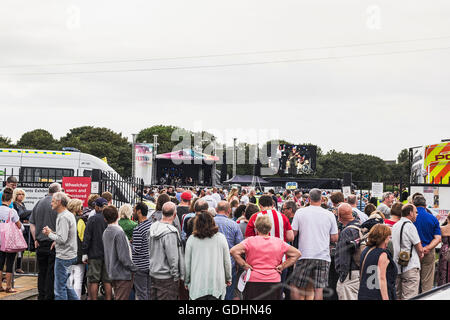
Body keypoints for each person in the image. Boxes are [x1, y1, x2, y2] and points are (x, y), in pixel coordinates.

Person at [230, 215, 301, 300]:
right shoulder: (278, 242)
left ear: (256, 227)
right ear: (270, 228)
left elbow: (233, 251)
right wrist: (283, 266)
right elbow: (297, 253)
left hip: (253, 279)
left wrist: (244, 265)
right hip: (274, 280)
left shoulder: (250, 241)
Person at [289, 188, 338, 300]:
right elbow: (335, 238)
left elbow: (293, 234)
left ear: (309, 199)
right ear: (321, 199)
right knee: (318, 289)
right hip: (323, 256)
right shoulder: (329, 215)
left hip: (304, 254)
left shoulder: (300, 212)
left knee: (295, 285)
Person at [184, 210, 232, 300]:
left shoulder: (191, 239)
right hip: (216, 284)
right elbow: (226, 261)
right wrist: (228, 277)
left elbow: (187, 263)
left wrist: (186, 281)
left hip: (198, 284)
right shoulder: (221, 238)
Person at [41, 192, 78, 300]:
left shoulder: (63, 217)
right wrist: (53, 233)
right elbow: (64, 235)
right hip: (70, 255)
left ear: (59, 202)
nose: (51, 203)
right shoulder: (68, 215)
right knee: (68, 286)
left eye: (53, 201)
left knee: (59, 289)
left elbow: (62, 239)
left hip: (63, 257)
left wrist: (49, 234)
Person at [29, 182, 61, 300]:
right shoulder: (57, 204)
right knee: (51, 272)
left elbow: (32, 223)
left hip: (40, 242)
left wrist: (35, 238)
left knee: (41, 271)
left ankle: (41, 295)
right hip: (53, 242)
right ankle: (49, 296)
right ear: (58, 191)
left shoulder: (39, 202)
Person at [148, 202, 185, 300]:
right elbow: (173, 257)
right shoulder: (170, 232)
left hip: (153, 271)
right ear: (174, 215)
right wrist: (176, 275)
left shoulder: (153, 227)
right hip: (167, 276)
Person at [102, 205, 138, 300]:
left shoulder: (106, 231)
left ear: (105, 219)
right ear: (118, 215)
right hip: (122, 273)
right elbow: (123, 257)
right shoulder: (119, 232)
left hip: (112, 270)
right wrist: (134, 268)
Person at [82, 197, 113, 300]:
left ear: (97, 207)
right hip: (108, 255)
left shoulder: (92, 219)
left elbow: (87, 237)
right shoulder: (110, 218)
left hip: (94, 254)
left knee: (93, 280)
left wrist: (84, 252)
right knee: (107, 280)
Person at [392, 204, 424, 300]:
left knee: (397, 295)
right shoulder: (410, 226)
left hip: (397, 265)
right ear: (410, 213)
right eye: (415, 212)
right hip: (410, 266)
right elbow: (419, 248)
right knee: (410, 296)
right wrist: (421, 253)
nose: (417, 214)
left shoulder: (395, 225)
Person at [358, 224, 398, 300]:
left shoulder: (366, 251)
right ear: (384, 238)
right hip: (377, 294)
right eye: (389, 237)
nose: (389, 240)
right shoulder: (382, 254)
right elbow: (381, 278)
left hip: (364, 293)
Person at [214, 201, 244, 300]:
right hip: (230, 264)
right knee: (228, 293)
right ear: (229, 211)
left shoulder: (209, 223)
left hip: (212, 264)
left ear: (216, 210)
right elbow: (240, 245)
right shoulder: (234, 225)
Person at [413, 195, 441, 293]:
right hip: (428, 251)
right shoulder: (433, 218)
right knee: (427, 281)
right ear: (425, 205)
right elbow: (438, 238)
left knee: (413, 281)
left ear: (413, 205)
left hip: (414, 252)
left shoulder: (411, 219)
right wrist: (428, 248)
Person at [334, 203, 362, 300]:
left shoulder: (347, 231)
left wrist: (343, 275)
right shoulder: (361, 226)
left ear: (339, 216)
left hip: (350, 273)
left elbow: (344, 255)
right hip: (361, 271)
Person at [0, 187, 24, 293]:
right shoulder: (12, 211)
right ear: (10, 200)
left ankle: (0, 286)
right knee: (9, 263)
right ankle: (9, 287)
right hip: (9, 240)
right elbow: (19, 226)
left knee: (0, 263)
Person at [131, 202, 152, 300]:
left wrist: (129, 244)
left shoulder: (138, 229)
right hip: (150, 263)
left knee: (141, 293)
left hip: (140, 265)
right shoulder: (151, 225)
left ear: (139, 212)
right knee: (148, 292)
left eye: (134, 211)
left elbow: (137, 250)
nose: (132, 213)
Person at [66, 198, 86, 299]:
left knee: (69, 279)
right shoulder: (80, 220)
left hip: (66, 253)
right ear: (77, 208)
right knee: (78, 278)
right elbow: (83, 238)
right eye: (81, 207)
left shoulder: (64, 218)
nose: (83, 209)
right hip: (77, 253)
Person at [12, 188, 31, 274]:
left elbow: (25, 216)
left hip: (24, 229)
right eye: (19, 194)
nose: (21, 196)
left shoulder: (22, 204)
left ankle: (18, 267)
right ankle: (13, 267)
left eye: (22, 194)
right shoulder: (14, 205)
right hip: (16, 228)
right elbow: (18, 216)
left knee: (21, 249)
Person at [437, 214, 450, 286]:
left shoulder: (442, 228)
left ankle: (443, 286)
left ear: (447, 219)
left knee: (443, 270)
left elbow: (438, 239)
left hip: (444, 250)